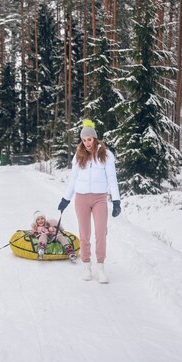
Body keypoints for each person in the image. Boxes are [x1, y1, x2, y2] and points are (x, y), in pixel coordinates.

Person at [57, 119, 121, 283]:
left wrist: (116, 200)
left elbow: (112, 179)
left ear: (95, 138)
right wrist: (66, 199)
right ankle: (86, 266)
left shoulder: (106, 155)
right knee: (84, 234)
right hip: (81, 198)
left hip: (100, 198)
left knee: (100, 233)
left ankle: (100, 268)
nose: (86, 143)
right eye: (84, 140)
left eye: (89, 139)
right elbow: (73, 180)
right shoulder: (78, 155)